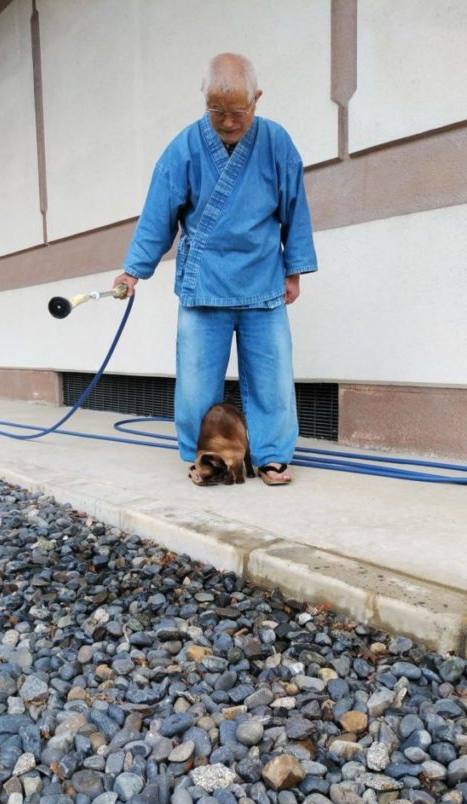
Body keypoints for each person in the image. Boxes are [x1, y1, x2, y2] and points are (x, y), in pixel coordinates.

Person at [113, 53, 317, 485]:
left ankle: (272, 455)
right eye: (216, 111)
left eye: (237, 111)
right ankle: (204, 454)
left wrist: (294, 271)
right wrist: (134, 270)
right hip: (204, 281)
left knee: (272, 377)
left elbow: (295, 210)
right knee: (196, 382)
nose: (227, 121)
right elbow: (157, 216)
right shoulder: (184, 148)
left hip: (263, 280)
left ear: (257, 98)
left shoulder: (277, 142)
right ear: (204, 100)